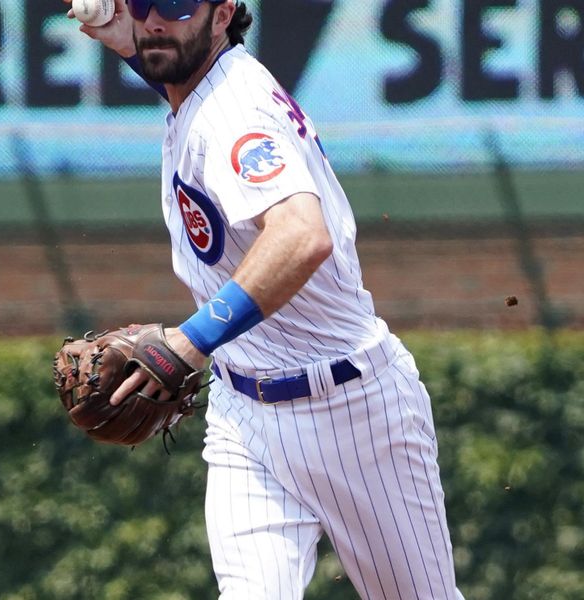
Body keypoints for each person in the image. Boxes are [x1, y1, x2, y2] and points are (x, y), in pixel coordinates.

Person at [64, 1, 465, 598]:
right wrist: (116, 32)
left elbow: (301, 236)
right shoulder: (202, 85)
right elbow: (164, 52)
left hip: (352, 412)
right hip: (244, 413)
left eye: (176, 6)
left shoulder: (234, 115)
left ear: (223, 13)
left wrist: (188, 343)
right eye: (143, 2)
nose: (155, 21)